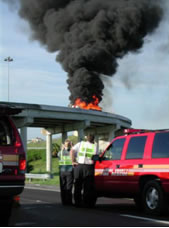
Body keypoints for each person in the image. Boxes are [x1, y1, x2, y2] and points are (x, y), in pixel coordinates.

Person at [70, 133, 98, 208]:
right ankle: (86, 203)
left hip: (79, 166)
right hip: (89, 167)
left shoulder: (80, 144)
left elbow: (72, 151)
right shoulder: (94, 146)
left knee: (77, 185)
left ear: (86, 138)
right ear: (93, 140)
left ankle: (77, 202)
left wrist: (73, 161)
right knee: (87, 186)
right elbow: (95, 158)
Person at [58, 139, 73, 205]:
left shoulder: (60, 152)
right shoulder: (72, 152)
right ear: (70, 145)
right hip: (69, 171)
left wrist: (62, 148)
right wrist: (72, 147)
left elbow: (58, 157)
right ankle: (69, 201)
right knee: (69, 187)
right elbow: (75, 156)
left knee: (63, 187)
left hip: (62, 171)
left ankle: (64, 201)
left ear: (64, 145)